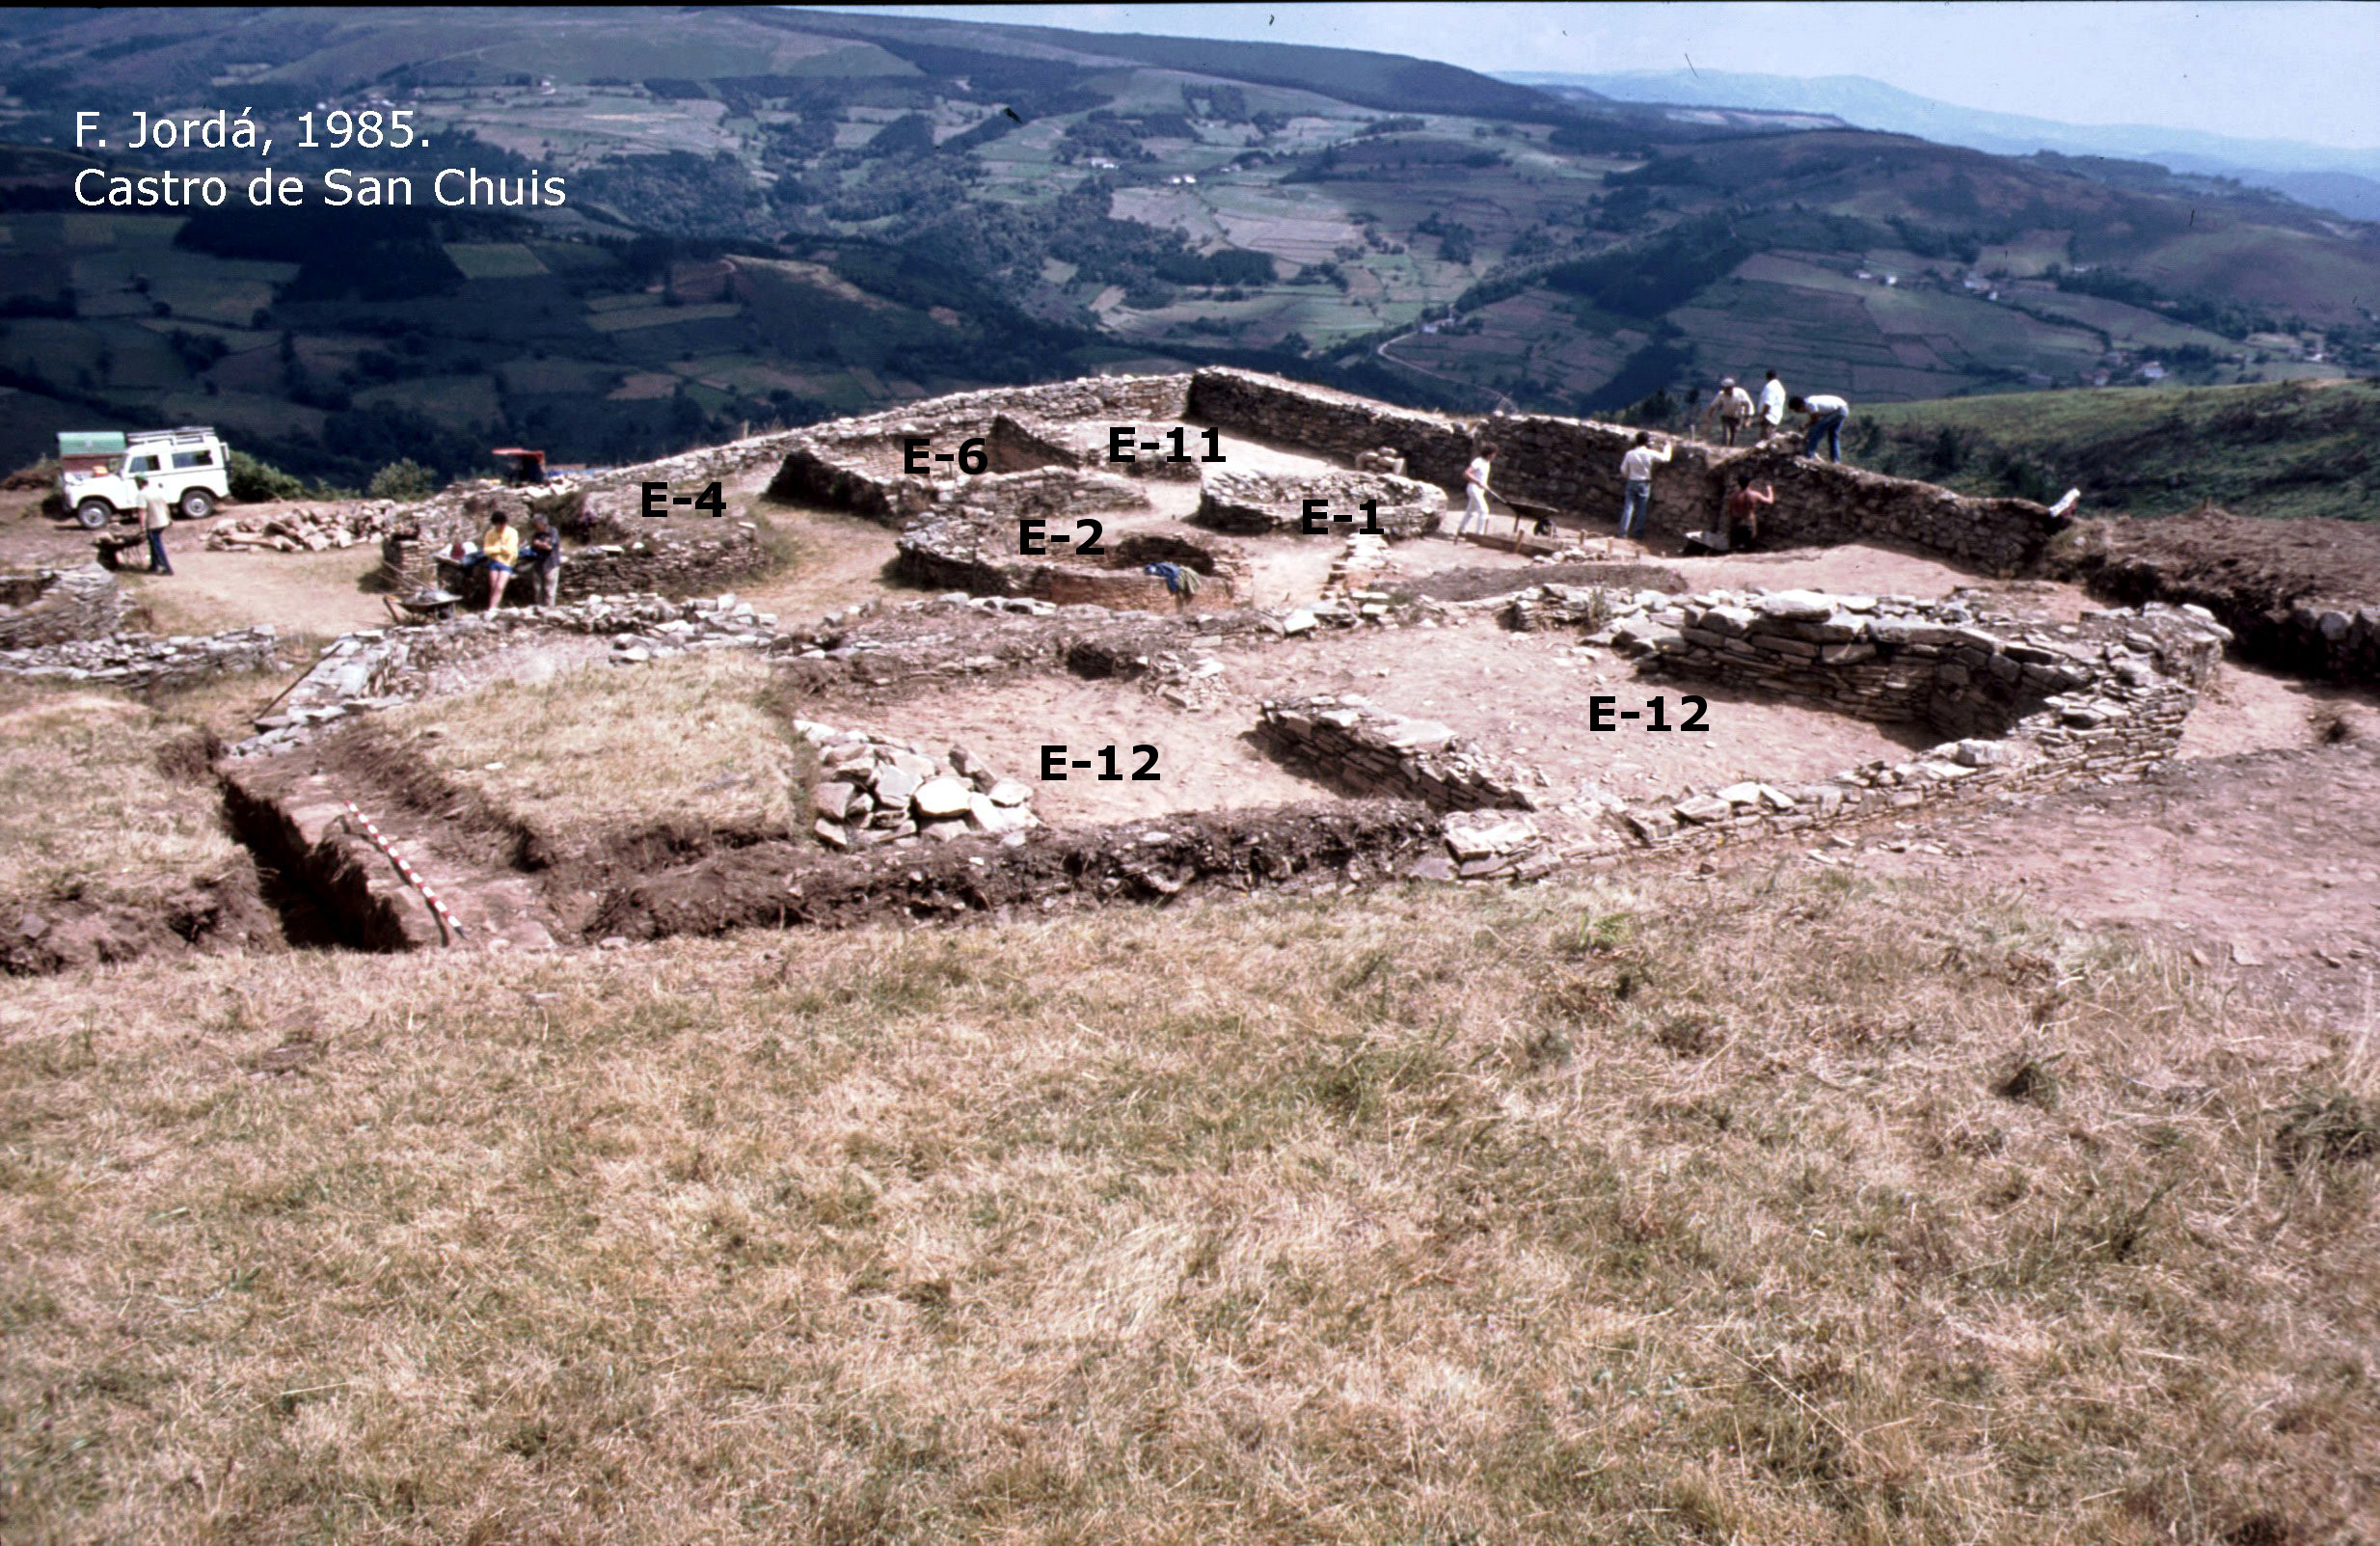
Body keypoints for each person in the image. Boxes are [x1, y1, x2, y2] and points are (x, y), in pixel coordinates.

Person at [1617, 430, 1672, 541]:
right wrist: (1668, 446)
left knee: (1628, 508)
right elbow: (1665, 458)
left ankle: (1622, 532)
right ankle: (1638, 533)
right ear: (1647, 442)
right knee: (1642, 508)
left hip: (1632, 481)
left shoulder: (1630, 454)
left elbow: (1623, 470)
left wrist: (1629, 476)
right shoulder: (1649, 453)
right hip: (1645, 482)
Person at [1789, 393, 1852, 463]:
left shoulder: (1810, 404)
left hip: (1839, 410)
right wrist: (1807, 435)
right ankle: (1836, 461)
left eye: (1797, 410)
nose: (1799, 412)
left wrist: (1805, 428)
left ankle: (1808, 455)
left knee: (1817, 431)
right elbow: (1816, 421)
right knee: (1833, 436)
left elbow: (1815, 422)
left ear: (1801, 406)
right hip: (1842, 408)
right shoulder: (1809, 402)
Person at [478, 508, 520, 610]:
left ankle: (492, 608)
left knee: (500, 586)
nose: (501, 526)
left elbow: (509, 550)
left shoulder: (512, 532)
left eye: (502, 524)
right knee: (493, 585)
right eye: (498, 524)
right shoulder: (490, 534)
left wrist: (495, 550)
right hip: (494, 561)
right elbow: (486, 550)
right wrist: (501, 548)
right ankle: (493, 607)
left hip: (507, 562)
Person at [134, 475, 174, 576]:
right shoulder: (156, 490)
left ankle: (167, 568)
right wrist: (169, 518)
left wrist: (142, 526)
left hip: (153, 523)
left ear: (139, 482)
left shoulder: (141, 494)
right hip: (163, 521)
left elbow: (142, 511)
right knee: (153, 542)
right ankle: (154, 565)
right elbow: (165, 505)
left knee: (156, 544)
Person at [1700, 376, 1755, 447]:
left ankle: (1731, 450)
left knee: (1734, 436)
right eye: (1724, 388)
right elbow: (1713, 406)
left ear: (1731, 388)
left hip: (1737, 417)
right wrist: (1708, 417)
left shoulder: (1740, 393)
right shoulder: (1721, 395)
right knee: (1726, 436)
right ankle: (1723, 449)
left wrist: (1748, 419)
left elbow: (1748, 405)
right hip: (1726, 416)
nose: (1725, 390)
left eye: (1726, 389)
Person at [1724, 477, 1775, 551]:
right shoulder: (1754, 495)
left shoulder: (1733, 496)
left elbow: (1730, 511)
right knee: (1750, 547)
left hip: (1736, 523)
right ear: (1749, 483)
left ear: (1738, 483)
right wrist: (1770, 490)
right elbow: (1770, 501)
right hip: (1749, 522)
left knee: (1734, 548)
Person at [1459, 445, 1495, 537]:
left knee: (1470, 511)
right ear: (1489, 454)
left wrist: (1485, 485)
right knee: (1484, 511)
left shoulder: (1487, 463)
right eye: (1493, 454)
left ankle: (1461, 530)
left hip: (1479, 490)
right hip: (1473, 488)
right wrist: (1478, 482)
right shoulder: (1478, 461)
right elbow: (1466, 474)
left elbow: (1482, 478)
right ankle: (1479, 535)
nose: (1494, 456)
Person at [526, 516, 562, 607]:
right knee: (538, 589)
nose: (535, 527)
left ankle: (549, 611)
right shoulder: (536, 534)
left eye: (536, 525)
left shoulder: (553, 531)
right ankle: (539, 609)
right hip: (538, 564)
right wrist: (541, 544)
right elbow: (533, 546)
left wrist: (540, 544)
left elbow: (549, 546)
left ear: (543, 524)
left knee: (549, 590)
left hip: (551, 563)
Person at [1757, 369, 1788, 439]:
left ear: (1767, 377)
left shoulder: (1770, 387)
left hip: (1768, 416)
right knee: (1771, 437)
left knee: (1765, 439)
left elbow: (1768, 403)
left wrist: (1762, 416)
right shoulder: (1780, 388)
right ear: (1777, 376)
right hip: (1776, 416)